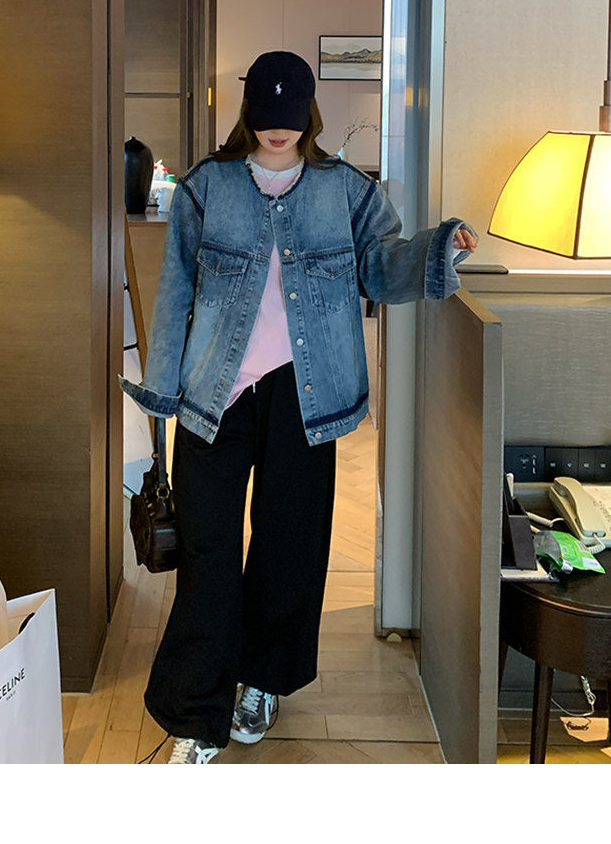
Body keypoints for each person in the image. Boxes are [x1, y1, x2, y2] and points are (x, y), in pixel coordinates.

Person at [120, 51, 477, 765]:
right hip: (214, 396)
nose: (277, 131)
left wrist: (439, 249)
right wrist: (159, 397)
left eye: (289, 117)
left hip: (305, 398)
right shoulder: (206, 188)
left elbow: (381, 267)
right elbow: (176, 291)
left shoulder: (346, 191)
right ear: (248, 112)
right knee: (207, 554)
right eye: (265, 116)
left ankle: (261, 681)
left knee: (289, 548)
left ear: (308, 114)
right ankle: (196, 716)